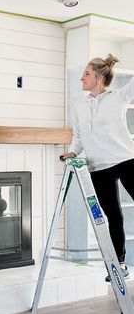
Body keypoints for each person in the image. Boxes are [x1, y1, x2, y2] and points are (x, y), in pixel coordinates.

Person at [61, 54, 134, 279]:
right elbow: (79, 135)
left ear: (99, 77)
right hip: (98, 167)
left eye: (87, 74)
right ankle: (120, 264)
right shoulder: (80, 106)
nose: (82, 78)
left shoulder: (119, 97)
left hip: (125, 160)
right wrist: (73, 151)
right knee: (113, 216)